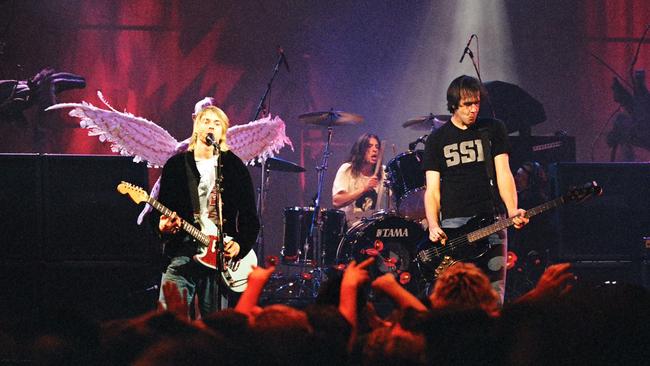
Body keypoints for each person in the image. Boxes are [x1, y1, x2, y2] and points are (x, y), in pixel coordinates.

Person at [422, 75, 528, 302]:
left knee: (494, 293)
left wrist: (512, 210)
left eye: (476, 103)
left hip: (492, 220)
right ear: (453, 105)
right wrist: (432, 224)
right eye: (467, 105)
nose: (473, 110)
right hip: (454, 224)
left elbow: (504, 173)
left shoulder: (493, 129)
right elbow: (432, 190)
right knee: (455, 296)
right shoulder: (437, 139)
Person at [155, 102, 259, 318]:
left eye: (217, 123)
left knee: (216, 328)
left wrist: (239, 245)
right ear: (196, 127)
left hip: (218, 259)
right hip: (181, 253)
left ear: (223, 131)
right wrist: (162, 225)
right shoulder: (176, 165)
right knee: (169, 323)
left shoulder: (234, 167)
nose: (211, 126)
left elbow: (250, 218)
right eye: (206, 121)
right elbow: (160, 209)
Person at [332, 133, 388, 224]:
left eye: (377, 147)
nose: (375, 150)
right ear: (361, 150)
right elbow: (337, 201)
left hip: (374, 227)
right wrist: (364, 189)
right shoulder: (347, 169)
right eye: (369, 146)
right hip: (350, 228)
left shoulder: (383, 172)